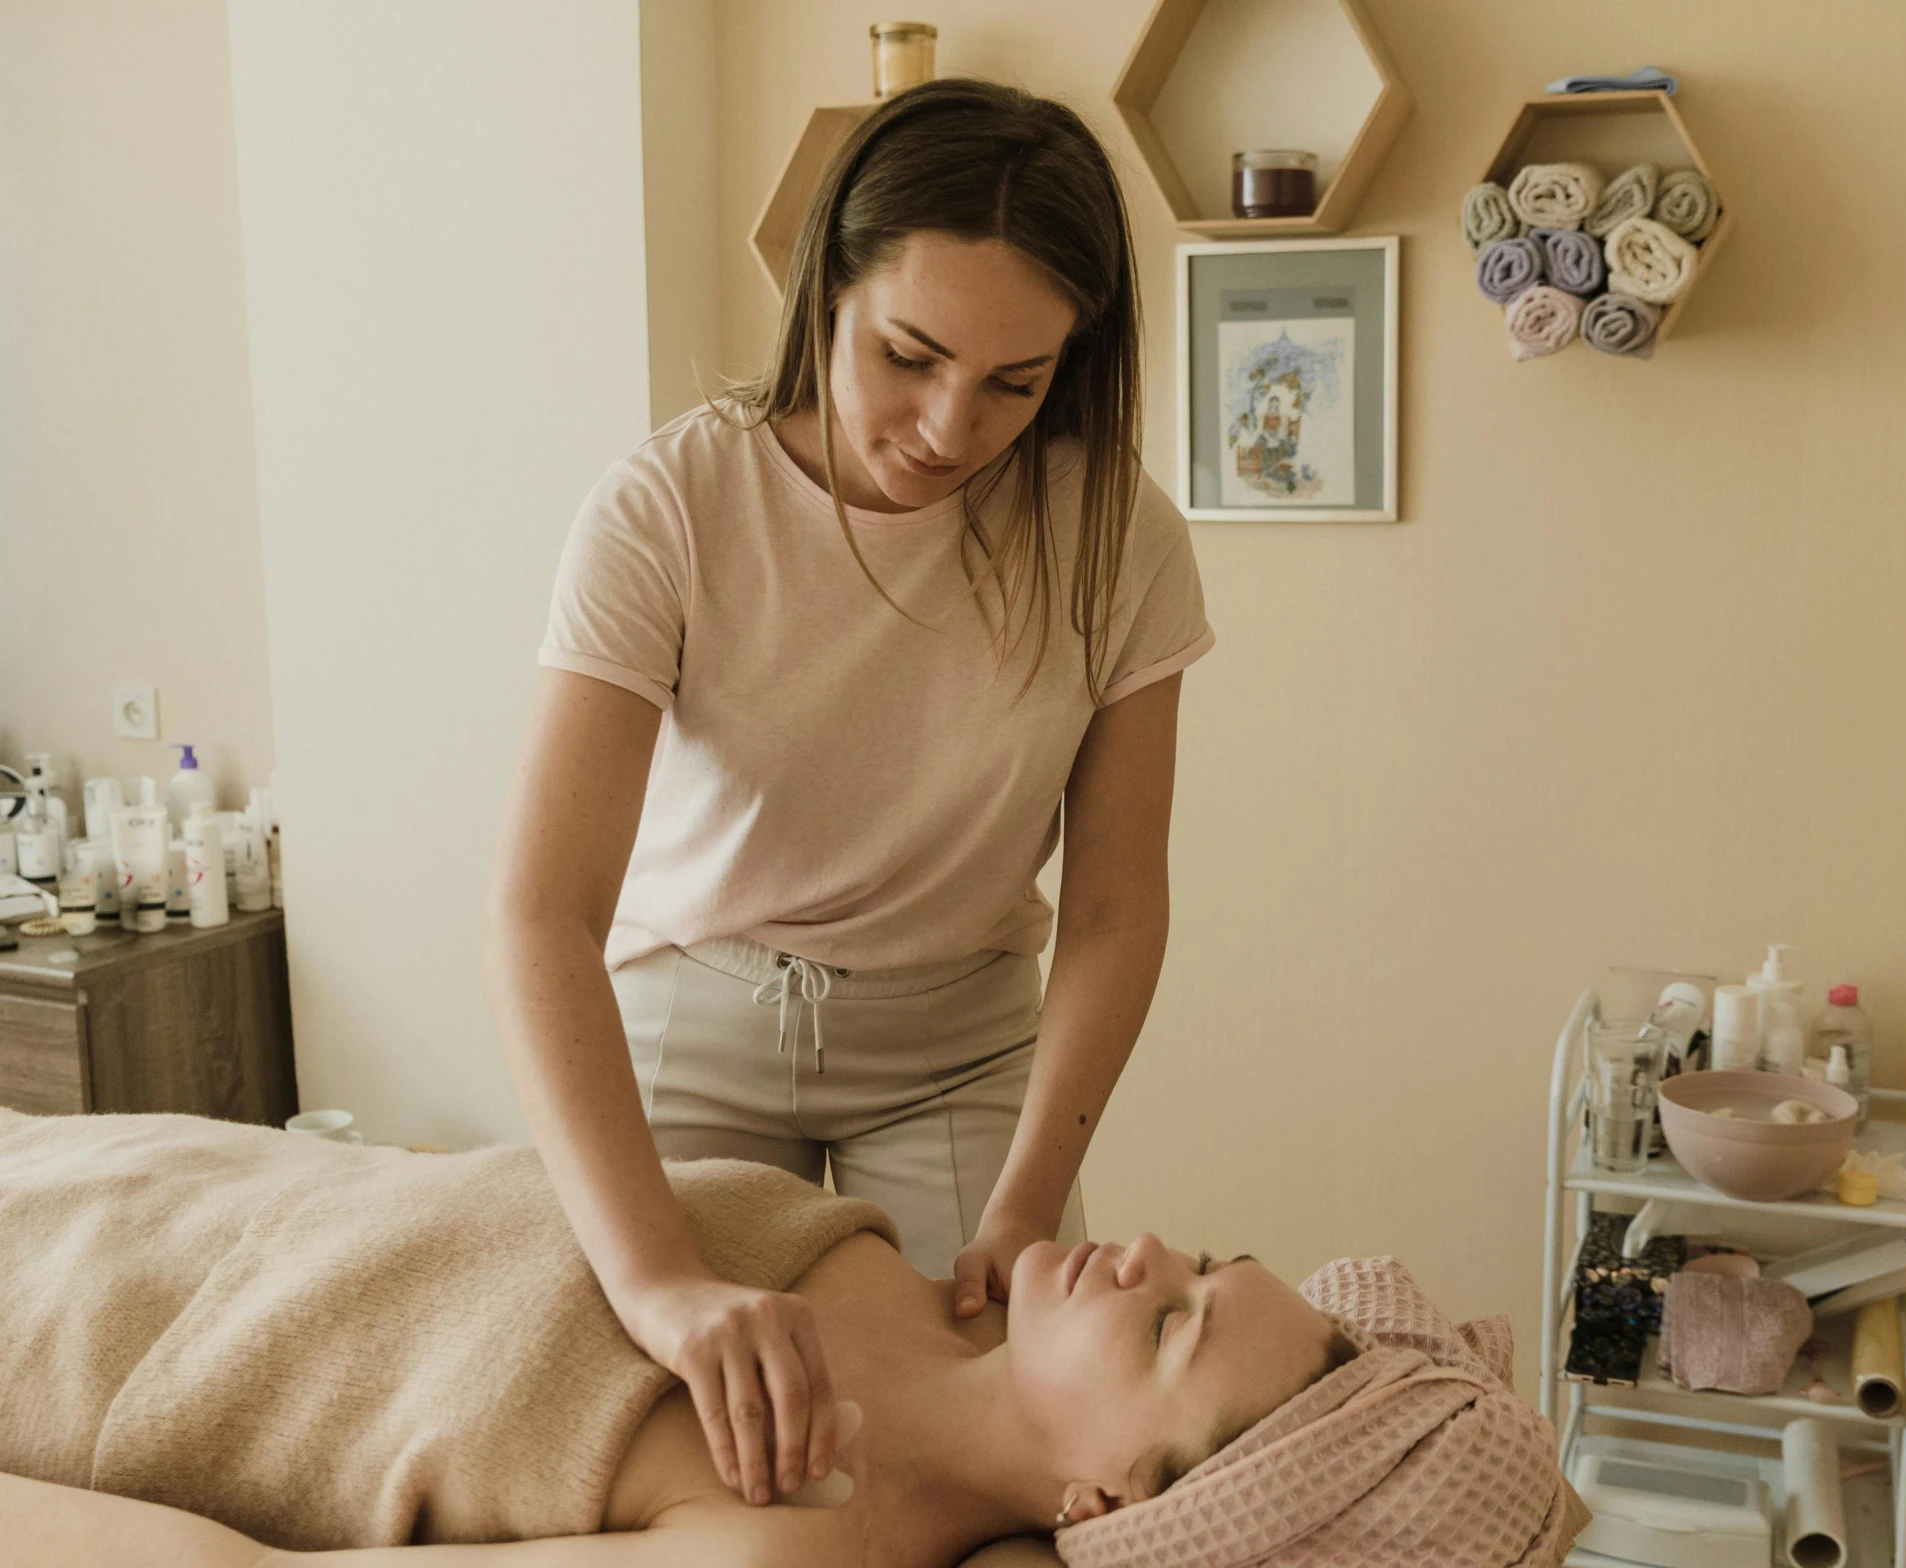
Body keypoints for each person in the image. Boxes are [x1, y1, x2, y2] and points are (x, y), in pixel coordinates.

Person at [483, 77, 1211, 1508]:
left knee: (1020, 1462)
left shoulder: (1120, 534)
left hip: (963, 1046)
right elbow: (539, 914)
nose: (951, 425)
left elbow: (1119, 907)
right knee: (696, 1452)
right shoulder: (670, 510)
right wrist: (654, 1283)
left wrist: (1019, 1208)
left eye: (1018, 380)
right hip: (695, 1012)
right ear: (827, 286)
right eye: (910, 355)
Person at [0, 1110, 1585, 1568]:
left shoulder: (792, 1540)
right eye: (1212, 1262)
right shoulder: (925, 1279)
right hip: (194, 1176)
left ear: (1115, 1505)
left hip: (89, 1336)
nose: (1149, 1247)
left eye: (1170, 1326)